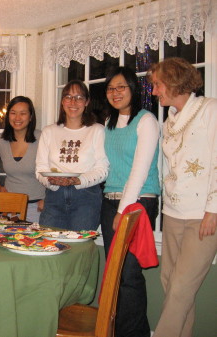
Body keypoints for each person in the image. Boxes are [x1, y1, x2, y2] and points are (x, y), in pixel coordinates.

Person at [149, 58, 217, 337]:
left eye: (157, 84)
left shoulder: (210, 110)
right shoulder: (170, 120)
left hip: (202, 214)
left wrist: (214, 209)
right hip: (173, 213)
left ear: (175, 82)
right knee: (172, 285)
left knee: (180, 289)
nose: (154, 91)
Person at [100, 66, 161, 337]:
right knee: (115, 276)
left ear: (132, 90)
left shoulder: (146, 120)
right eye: (111, 88)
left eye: (121, 87)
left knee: (129, 276)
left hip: (138, 204)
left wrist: (123, 210)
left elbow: (139, 169)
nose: (116, 93)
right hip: (110, 201)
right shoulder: (108, 124)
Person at [35, 80, 108, 230]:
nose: (73, 102)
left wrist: (77, 180)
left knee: (80, 247)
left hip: (86, 197)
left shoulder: (97, 130)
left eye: (79, 97)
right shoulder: (49, 131)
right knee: (49, 243)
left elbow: (103, 169)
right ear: (62, 101)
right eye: (68, 97)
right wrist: (52, 182)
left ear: (87, 102)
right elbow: (40, 168)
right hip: (54, 197)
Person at [0, 96, 45, 223]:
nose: (17, 118)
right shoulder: (1, 141)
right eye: (13, 113)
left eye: (23, 113)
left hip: (37, 206)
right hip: (9, 206)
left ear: (31, 116)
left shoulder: (42, 138)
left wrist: (48, 198)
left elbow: (54, 170)